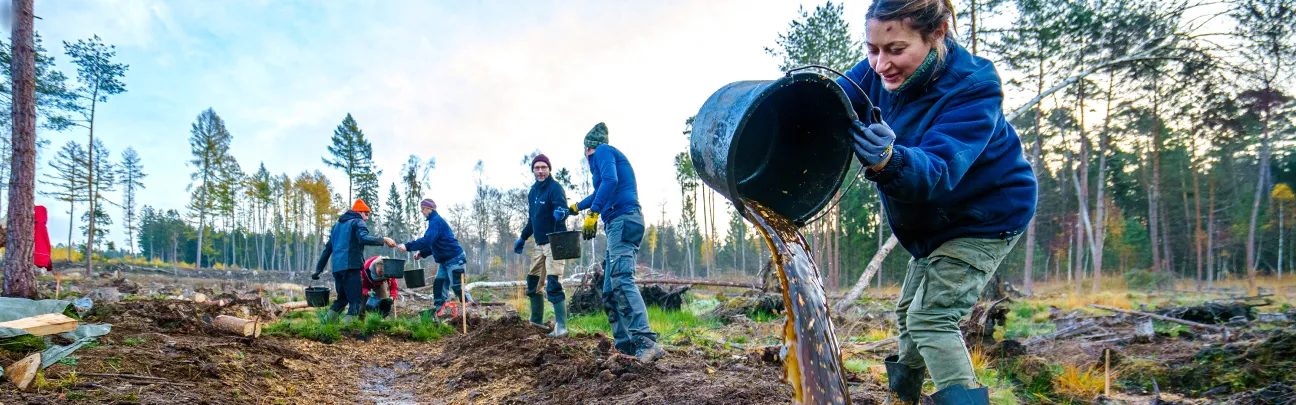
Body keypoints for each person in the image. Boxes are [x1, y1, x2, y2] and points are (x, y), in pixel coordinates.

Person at [835, 1, 1038, 404]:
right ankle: (903, 397)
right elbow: (830, 99)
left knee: (931, 318)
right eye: (872, 49)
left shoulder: (973, 86)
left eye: (895, 50)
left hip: (983, 217)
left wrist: (891, 160)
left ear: (938, 33)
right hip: (930, 224)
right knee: (909, 313)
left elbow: (941, 168)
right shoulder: (875, 72)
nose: (880, 65)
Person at [564, 122, 664, 363]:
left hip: (622, 220)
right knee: (609, 290)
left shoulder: (603, 151)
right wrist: (575, 208)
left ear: (588, 148)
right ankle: (626, 348)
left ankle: (646, 342)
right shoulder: (605, 156)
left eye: (586, 152)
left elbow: (610, 181)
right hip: (617, 224)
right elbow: (601, 188)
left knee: (621, 279)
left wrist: (593, 213)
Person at [513, 153, 571, 337]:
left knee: (553, 283)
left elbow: (563, 208)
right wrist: (522, 237)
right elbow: (533, 219)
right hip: (539, 243)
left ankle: (561, 327)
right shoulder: (533, 192)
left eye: (543, 167)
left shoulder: (555, 188)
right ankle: (536, 321)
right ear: (533, 170)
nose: (540, 171)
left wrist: (562, 213)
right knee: (533, 281)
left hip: (556, 241)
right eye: (537, 168)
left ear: (549, 169)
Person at [313, 199, 396, 319]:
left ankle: (325, 326)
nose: (367, 218)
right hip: (351, 267)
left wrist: (318, 269)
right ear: (360, 212)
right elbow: (363, 238)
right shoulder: (357, 221)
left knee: (341, 300)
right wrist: (383, 239)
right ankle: (349, 332)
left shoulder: (337, 226)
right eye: (366, 214)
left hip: (337, 269)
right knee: (356, 302)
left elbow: (327, 250)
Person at [396, 198, 469, 314]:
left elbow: (427, 240)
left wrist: (407, 246)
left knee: (457, 285)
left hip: (455, 258)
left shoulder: (436, 221)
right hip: (445, 261)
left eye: (423, 209)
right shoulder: (433, 222)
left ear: (429, 209)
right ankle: (440, 311)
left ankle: (471, 309)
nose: (422, 212)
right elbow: (433, 244)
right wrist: (422, 253)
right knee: (439, 284)